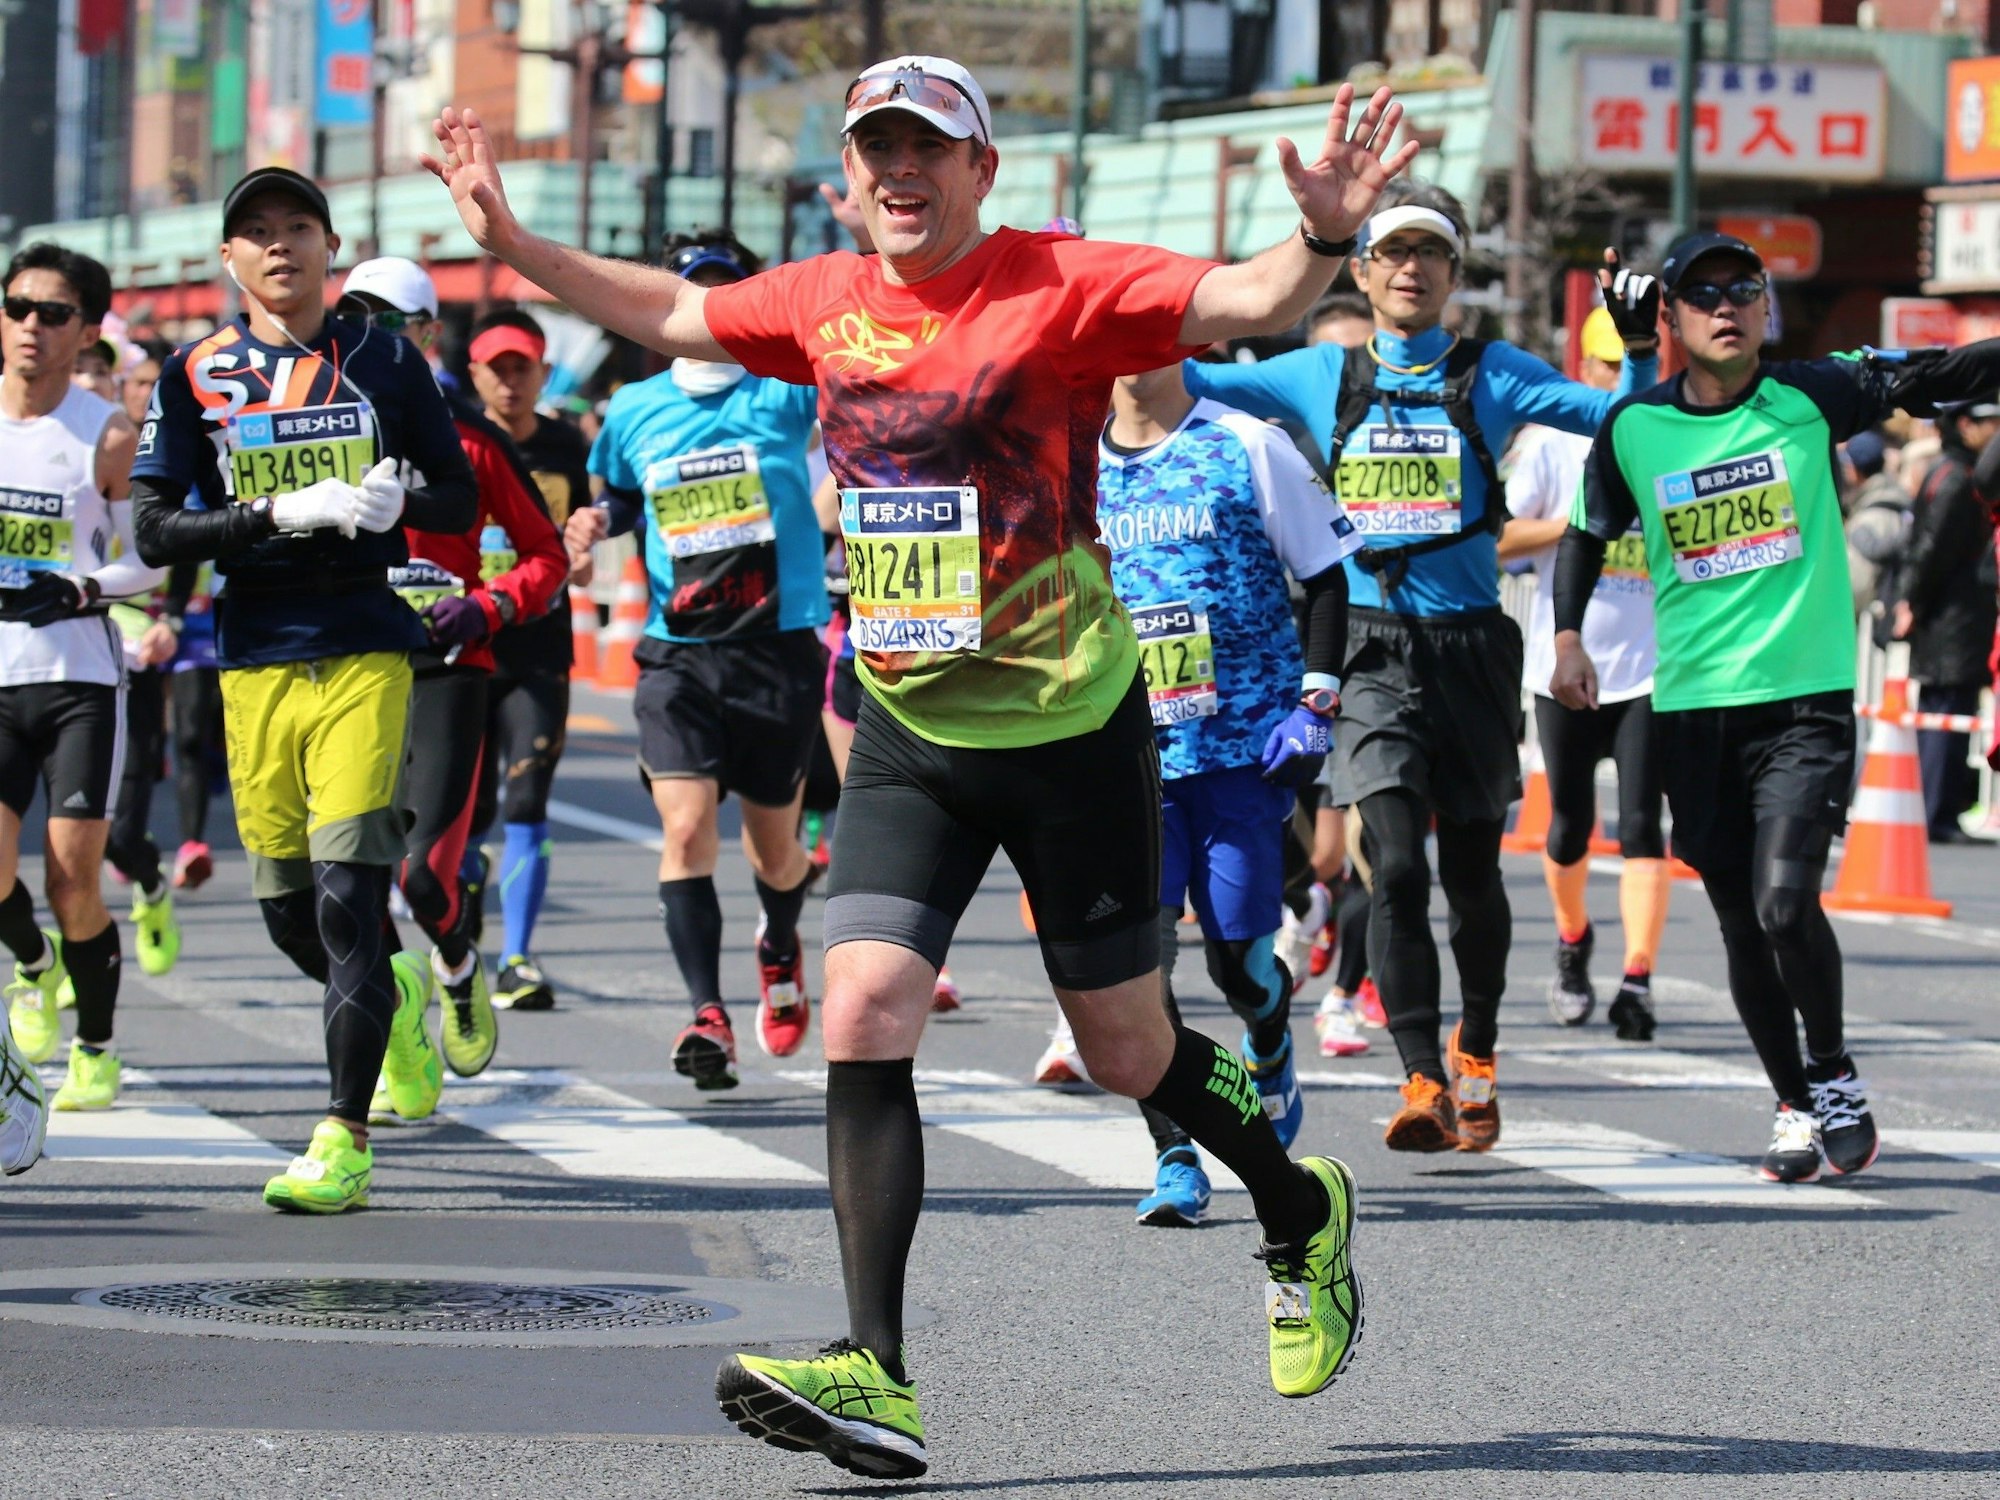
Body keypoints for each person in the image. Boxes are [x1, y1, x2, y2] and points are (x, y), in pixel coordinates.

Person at [430, 56, 1416, 1477]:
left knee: (1131, 1050)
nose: (900, 170)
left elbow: (1245, 303)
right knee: (867, 1008)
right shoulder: (823, 301)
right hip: (905, 724)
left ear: (980, 170)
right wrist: (512, 243)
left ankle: (1295, 1208)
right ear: (849, 175)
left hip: (1070, 724)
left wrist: (1323, 235)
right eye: (875, 148)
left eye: (928, 148)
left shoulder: (1060, 285)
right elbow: (667, 308)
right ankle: (877, 1370)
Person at [1182, 183, 1662, 1154]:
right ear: (1360, 269)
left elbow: (1624, 426)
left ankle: (1475, 1047)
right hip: (1365, 648)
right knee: (1394, 864)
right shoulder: (1320, 373)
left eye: (1430, 255)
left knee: (1473, 874)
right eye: (1391, 253)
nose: (1410, 269)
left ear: (1454, 274)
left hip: (1472, 652)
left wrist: (1640, 351)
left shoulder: (1494, 372)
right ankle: (1419, 1079)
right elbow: (1183, 381)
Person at [1554, 230, 2000, 1183]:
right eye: (1701, 293)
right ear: (1668, 316)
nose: (1725, 306)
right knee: (1738, 923)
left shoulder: (1812, 393)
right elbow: (1586, 537)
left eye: (1742, 290)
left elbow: (1948, 370)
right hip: (1695, 712)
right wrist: (1565, 639)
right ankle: (1792, 1104)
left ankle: (1831, 1074)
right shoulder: (1634, 429)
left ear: (1764, 309)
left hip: (1803, 703)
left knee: (1785, 904)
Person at [130, 167, 477, 1213]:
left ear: (332, 248)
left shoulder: (385, 359)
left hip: (364, 648)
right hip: (252, 653)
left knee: (346, 894)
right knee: (291, 915)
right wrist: (275, 515)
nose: (279, 245)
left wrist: (396, 500)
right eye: (256, 232)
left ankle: (343, 1138)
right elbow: (153, 532)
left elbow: (456, 493)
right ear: (228, 259)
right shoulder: (195, 374)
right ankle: (402, 990)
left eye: (298, 227)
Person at [1094, 359, 1361, 1226]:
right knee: (1142, 972)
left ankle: (1271, 1039)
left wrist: (1315, 697)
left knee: (1238, 963)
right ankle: (1176, 1155)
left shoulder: (1246, 441)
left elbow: (1326, 572)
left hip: (1240, 745)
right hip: (1124, 754)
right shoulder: (1067, 456)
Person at [564, 229, 828, 1082]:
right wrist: (595, 522)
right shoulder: (636, 409)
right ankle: (706, 1012)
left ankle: (780, 941)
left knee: (774, 853)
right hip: (678, 655)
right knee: (684, 831)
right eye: (690, 294)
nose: (706, 311)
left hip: (776, 649)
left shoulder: (785, 391)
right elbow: (620, 496)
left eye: (724, 293)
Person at [336, 257, 568, 1087]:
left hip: (447, 671)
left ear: (428, 333)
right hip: (348, 669)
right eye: (352, 316)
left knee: (424, 877)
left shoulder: (472, 441)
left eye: (387, 321)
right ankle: (395, 1011)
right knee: (343, 874)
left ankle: (460, 969)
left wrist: (490, 606)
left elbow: (546, 556)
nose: (365, 336)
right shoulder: (317, 426)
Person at [0, 243, 163, 1113]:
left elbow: (153, 558)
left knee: (73, 881)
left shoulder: (106, 431)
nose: (31, 325)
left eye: (52, 313)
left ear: (86, 330)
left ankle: (95, 1046)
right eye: (17, 306)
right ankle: (32, 966)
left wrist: (82, 585)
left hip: (77, 682)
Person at [1499, 306, 1670, 1039]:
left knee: (1642, 824)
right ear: (1585, 369)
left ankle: (1638, 975)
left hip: (1652, 670)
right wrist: (1580, 530)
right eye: (1606, 366)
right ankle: (1573, 942)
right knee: (1570, 823)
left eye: (1631, 366)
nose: (1620, 380)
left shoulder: (1668, 441)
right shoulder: (1548, 445)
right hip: (1562, 667)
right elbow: (1499, 537)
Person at [464, 307, 590, 1009]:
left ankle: (516, 957)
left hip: (540, 644)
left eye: (523, 368)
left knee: (527, 795)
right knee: (464, 809)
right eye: (498, 368)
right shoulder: (455, 442)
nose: (511, 382)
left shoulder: (567, 445)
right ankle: (457, 944)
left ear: (543, 373)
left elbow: (586, 525)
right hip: (464, 643)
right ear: (475, 373)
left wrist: (585, 547)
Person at [1892, 400, 1999, 843]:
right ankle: (1935, 813)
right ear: (1963, 424)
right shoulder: (1957, 478)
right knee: (1944, 712)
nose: (1994, 430)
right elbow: (1930, 549)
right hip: (1951, 618)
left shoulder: (1948, 471)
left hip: (1948, 615)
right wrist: (1911, 600)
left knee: (1945, 711)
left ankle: (1939, 811)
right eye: (1988, 422)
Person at [100, 592, 183, 978]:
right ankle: (80, 969)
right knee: (65, 857)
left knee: (120, 840)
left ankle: (153, 893)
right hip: (52, 678)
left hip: (132, 673)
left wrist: (172, 618)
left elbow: (174, 554)